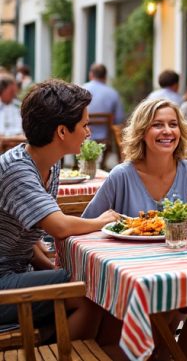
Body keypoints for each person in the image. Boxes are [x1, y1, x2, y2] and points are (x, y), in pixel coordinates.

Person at [84, 98, 187, 360]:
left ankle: (165, 352)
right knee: (178, 305)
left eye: (173, 124)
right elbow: (86, 227)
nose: (167, 131)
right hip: (132, 282)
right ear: (142, 132)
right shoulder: (121, 175)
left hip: (180, 272)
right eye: (157, 125)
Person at [0, 80, 118, 337]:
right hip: (3, 284)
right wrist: (103, 220)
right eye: (85, 125)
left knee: (92, 283)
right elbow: (59, 226)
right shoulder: (17, 169)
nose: (89, 133)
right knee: (89, 290)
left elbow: (26, 234)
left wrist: (49, 267)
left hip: (16, 272)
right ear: (62, 131)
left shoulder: (48, 164)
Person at [83, 63, 125, 143]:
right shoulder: (113, 93)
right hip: (105, 139)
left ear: (91, 74)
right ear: (105, 77)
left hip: (83, 136)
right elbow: (119, 119)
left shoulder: (81, 89)